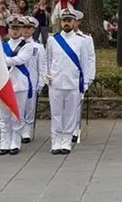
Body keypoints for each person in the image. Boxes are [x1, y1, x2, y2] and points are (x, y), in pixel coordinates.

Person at [46, 9, 89, 154]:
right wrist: (47, 76)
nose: (66, 23)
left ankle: (66, 140)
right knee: (56, 113)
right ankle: (56, 140)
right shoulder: (52, 40)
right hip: (56, 82)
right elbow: (48, 60)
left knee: (71, 113)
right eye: (64, 20)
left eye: (69, 20)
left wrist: (85, 83)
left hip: (73, 82)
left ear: (74, 22)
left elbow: (84, 64)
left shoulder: (81, 41)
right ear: (61, 22)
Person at [0, 16, 34, 155]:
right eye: (12, 28)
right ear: (9, 29)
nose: (15, 31)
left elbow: (20, 60)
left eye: (18, 28)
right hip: (4, 84)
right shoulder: (2, 46)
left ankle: (15, 142)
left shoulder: (28, 46)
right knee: (4, 116)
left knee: (17, 115)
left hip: (20, 84)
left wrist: (4, 61)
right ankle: (4, 142)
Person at [71, 10, 96, 144]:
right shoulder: (56, 39)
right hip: (63, 76)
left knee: (76, 105)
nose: (71, 22)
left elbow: (90, 59)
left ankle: (74, 130)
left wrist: (89, 78)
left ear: (78, 22)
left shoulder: (85, 39)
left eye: (73, 20)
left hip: (78, 77)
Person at [20, 16, 46, 144]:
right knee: (18, 107)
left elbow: (42, 66)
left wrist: (41, 82)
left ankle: (28, 130)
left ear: (33, 29)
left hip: (31, 82)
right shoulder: (14, 45)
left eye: (28, 27)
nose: (25, 30)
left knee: (30, 107)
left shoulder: (38, 47)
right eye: (23, 27)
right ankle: (19, 127)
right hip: (17, 82)